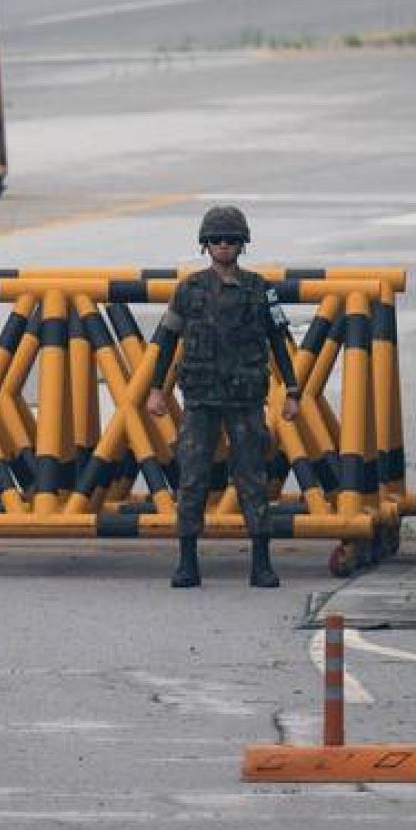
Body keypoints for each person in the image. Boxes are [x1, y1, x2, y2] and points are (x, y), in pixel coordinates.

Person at [146, 206, 299, 588]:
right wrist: (155, 389)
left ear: (242, 244)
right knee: (192, 477)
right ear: (205, 245)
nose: (224, 246)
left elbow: (279, 341)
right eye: (217, 240)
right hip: (201, 401)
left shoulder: (260, 289)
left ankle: (261, 562)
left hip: (245, 400)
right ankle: (186, 562)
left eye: (231, 240)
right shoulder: (189, 289)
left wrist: (292, 390)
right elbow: (165, 341)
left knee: (252, 478)